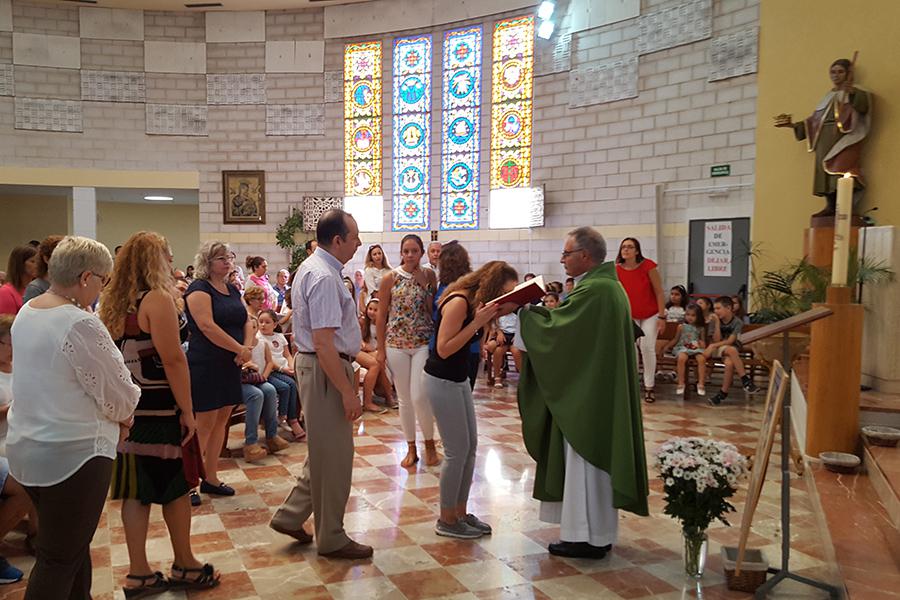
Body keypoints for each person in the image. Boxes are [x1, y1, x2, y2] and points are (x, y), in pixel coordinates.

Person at [8, 236, 141, 599]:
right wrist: (125, 418)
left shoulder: (29, 310)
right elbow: (120, 393)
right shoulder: (79, 322)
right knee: (57, 560)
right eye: (103, 280)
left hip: (30, 448)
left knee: (72, 548)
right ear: (85, 278)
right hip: (73, 455)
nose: (103, 288)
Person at [98, 232, 220, 596]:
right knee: (176, 488)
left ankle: (139, 572)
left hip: (132, 409)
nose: (170, 260)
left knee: (136, 492)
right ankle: (185, 563)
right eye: (166, 255)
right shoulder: (156, 299)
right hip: (162, 407)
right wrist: (188, 410)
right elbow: (173, 360)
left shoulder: (115, 300)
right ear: (155, 260)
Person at [517, 227, 649, 560]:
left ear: (585, 256)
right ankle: (596, 535)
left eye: (567, 253)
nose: (562, 259)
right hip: (595, 388)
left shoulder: (596, 290)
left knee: (583, 463)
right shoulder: (606, 286)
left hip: (588, 397)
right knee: (590, 469)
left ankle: (584, 538)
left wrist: (525, 314)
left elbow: (559, 331)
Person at [269, 209, 374, 560]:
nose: (359, 243)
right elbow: (325, 343)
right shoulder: (325, 277)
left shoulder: (313, 268)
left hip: (318, 366)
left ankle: (291, 516)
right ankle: (332, 537)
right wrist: (347, 392)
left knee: (325, 453)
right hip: (325, 368)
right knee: (337, 459)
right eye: (354, 237)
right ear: (338, 239)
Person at [426, 259, 518, 539]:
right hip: (441, 380)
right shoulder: (459, 302)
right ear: (493, 286)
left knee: (469, 448)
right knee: (456, 452)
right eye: (506, 293)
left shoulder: (477, 304)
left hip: (459, 379)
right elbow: (443, 349)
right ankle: (446, 519)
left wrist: (487, 323)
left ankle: (460, 512)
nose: (507, 299)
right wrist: (478, 322)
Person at [184, 242, 253, 504]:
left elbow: (247, 320)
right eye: (220, 258)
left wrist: (246, 349)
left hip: (230, 363)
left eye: (229, 257)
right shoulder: (198, 289)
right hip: (207, 363)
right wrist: (239, 349)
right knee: (203, 424)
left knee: (222, 421)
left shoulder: (232, 288)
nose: (227, 262)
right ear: (207, 262)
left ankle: (210, 478)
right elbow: (206, 326)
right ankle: (188, 484)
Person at [774, 58, 870, 217]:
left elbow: (864, 106)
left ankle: (846, 206)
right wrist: (793, 126)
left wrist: (853, 93)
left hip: (843, 136)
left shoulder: (855, 91)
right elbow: (815, 120)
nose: (836, 75)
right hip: (823, 137)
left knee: (842, 168)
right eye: (833, 72)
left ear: (849, 73)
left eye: (840, 72)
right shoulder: (827, 96)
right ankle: (830, 205)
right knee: (824, 171)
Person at [376, 234, 440, 468]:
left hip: (422, 340)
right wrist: (380, 349)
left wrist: (426, 286)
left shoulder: (429, 274)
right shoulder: (390, 278)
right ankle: (411, 447)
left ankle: (430, 444)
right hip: (396, 343)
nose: (410, 255)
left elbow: (432, 310)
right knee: (404, 398)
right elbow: (381, 315)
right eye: (406, 251)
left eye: (414, 251)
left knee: (420, 395)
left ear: (421, 252)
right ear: (401, 253)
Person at [0, 315, 32, 585]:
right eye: (8, 343)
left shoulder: (21, 366)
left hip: (22, 433)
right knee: (31, 472)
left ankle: (38, 534)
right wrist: (11, 409)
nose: (12, 349)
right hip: (4, 439)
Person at [615, 238, 666, 404]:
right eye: (623, 247)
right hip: (629, 314)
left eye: (630, 247)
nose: (626, 250)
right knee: (631, 350)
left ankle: (649, 386)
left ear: (637, 251)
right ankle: (634, 385)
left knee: (647, 347)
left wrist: (662, 316)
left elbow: (659, 292)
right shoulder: (616, 270)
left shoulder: (648, 266)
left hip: (650, 313)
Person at [240, 315, 290, 461]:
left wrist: (263, 376)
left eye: (253, 327)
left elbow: (269, 362)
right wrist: (247, 365)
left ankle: (272, 436)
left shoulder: (262, 344)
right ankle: (250, 443)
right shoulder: (238, 344)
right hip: (241, 381)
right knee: (256, 395)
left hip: (257, 378)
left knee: (270, 390)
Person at [434, 241, 481, 390]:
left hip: (451, 348)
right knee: (463, 394)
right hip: (470, 346)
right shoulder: (472, 286)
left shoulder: (446, 288)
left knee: (450, 396)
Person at [257, 310, 305, 440]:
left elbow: (287, 355)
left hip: (284, 368)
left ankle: (297, 416)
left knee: (299, 383)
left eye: (267, 322)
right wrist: (283, 369)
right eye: (261, 322)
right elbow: (269, 361)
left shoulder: (279, 336)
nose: (263, 325)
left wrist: (292, 366)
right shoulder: (259, 338)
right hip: (272, 370)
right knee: (288, 385)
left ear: (275, 324)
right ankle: (286, 417)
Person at [704, 296, 761, 405]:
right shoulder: (714, 321)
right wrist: (717, 323)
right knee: (732, 351)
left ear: (728, 308)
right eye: (714, 309)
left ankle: (722, 394)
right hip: (718, 348)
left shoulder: (737, 322)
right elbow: (716, 339)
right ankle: (745, 380)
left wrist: (713, 345)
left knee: (729, 363)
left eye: (718, 308)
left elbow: (731, 341)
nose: (715, 311)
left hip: (729, 347)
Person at [659, 304, 708, 396]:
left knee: (701, 359)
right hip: (682, 347)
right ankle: (681, 382)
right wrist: (667, 346)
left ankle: (701, 383)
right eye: (688, 314)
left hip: (695, 348)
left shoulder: (701, 328)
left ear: (698, 316)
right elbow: (676, 339)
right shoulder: (681, 327)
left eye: (693, 315)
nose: (690, 317)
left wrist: (702, 344)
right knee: (682, 358)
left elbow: (702, 341)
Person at [358, 299, 395, 412]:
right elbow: (358, 340)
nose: (372, 312)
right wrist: (364, 345)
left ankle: (385, 394)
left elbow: (384, 343)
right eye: (370, 309)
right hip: (362, 351)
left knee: (379, 362)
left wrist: (376, 350)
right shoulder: (362, 322)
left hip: (376, 352)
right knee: (377, 362)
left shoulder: (385, 325)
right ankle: (388, 396)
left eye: (375, 310)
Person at [22, 235, 63, 303]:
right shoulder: (35, 288)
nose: (64, 262)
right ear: (46, 259)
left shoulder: (66, 286)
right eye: (59, 258)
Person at [0, 246, 37, 316]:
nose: (37, 265)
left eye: (39, 262)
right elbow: (7, 321)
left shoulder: (35, 289)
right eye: (33, 261)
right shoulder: (6, 292)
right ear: (20, 264)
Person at [361, 244, 391, 309]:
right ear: (371, 257)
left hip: (389, 301)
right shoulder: (369, 270)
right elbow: (373, 292)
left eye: (379, 253)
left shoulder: (389, 270)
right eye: (374, 254)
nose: (378, 256)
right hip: (374, 303)